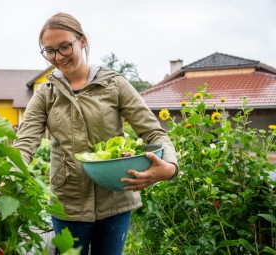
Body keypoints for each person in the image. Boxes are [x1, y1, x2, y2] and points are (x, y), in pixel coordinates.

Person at [13, 12, 178, 255]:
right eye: (49, 51)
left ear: (82, 41)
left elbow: (153, 132)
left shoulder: (114, 84)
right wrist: (6, 181)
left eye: (65, 47)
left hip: (115, 199)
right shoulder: (45, 94)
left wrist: (170, 166)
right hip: (67, 203)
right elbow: (24, 144)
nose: (58, 57)